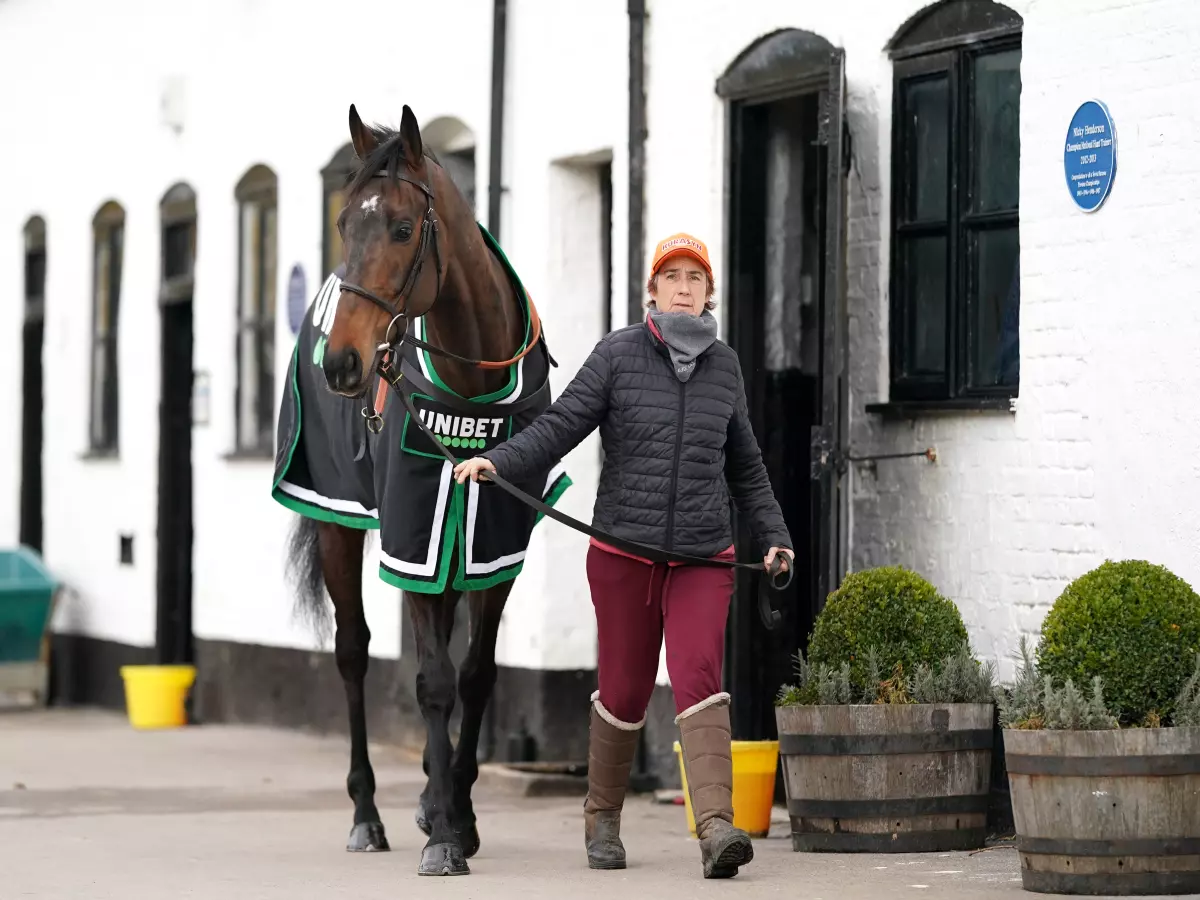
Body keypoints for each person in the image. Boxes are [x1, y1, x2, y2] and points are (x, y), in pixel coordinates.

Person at [453, 232, 793, 879]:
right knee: (627, 689)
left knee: (698, 677)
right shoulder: (617, 355)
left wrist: (774, 534)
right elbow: (560, 426)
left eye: (697, 277)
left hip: (703, 554)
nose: (686, 286)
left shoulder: (725, 366)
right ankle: (602, 816)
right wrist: (497, 461)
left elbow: (745, 465)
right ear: (654, 290)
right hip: (623, 554)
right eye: (674, 276)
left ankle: (716, 827)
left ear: (707, 293)